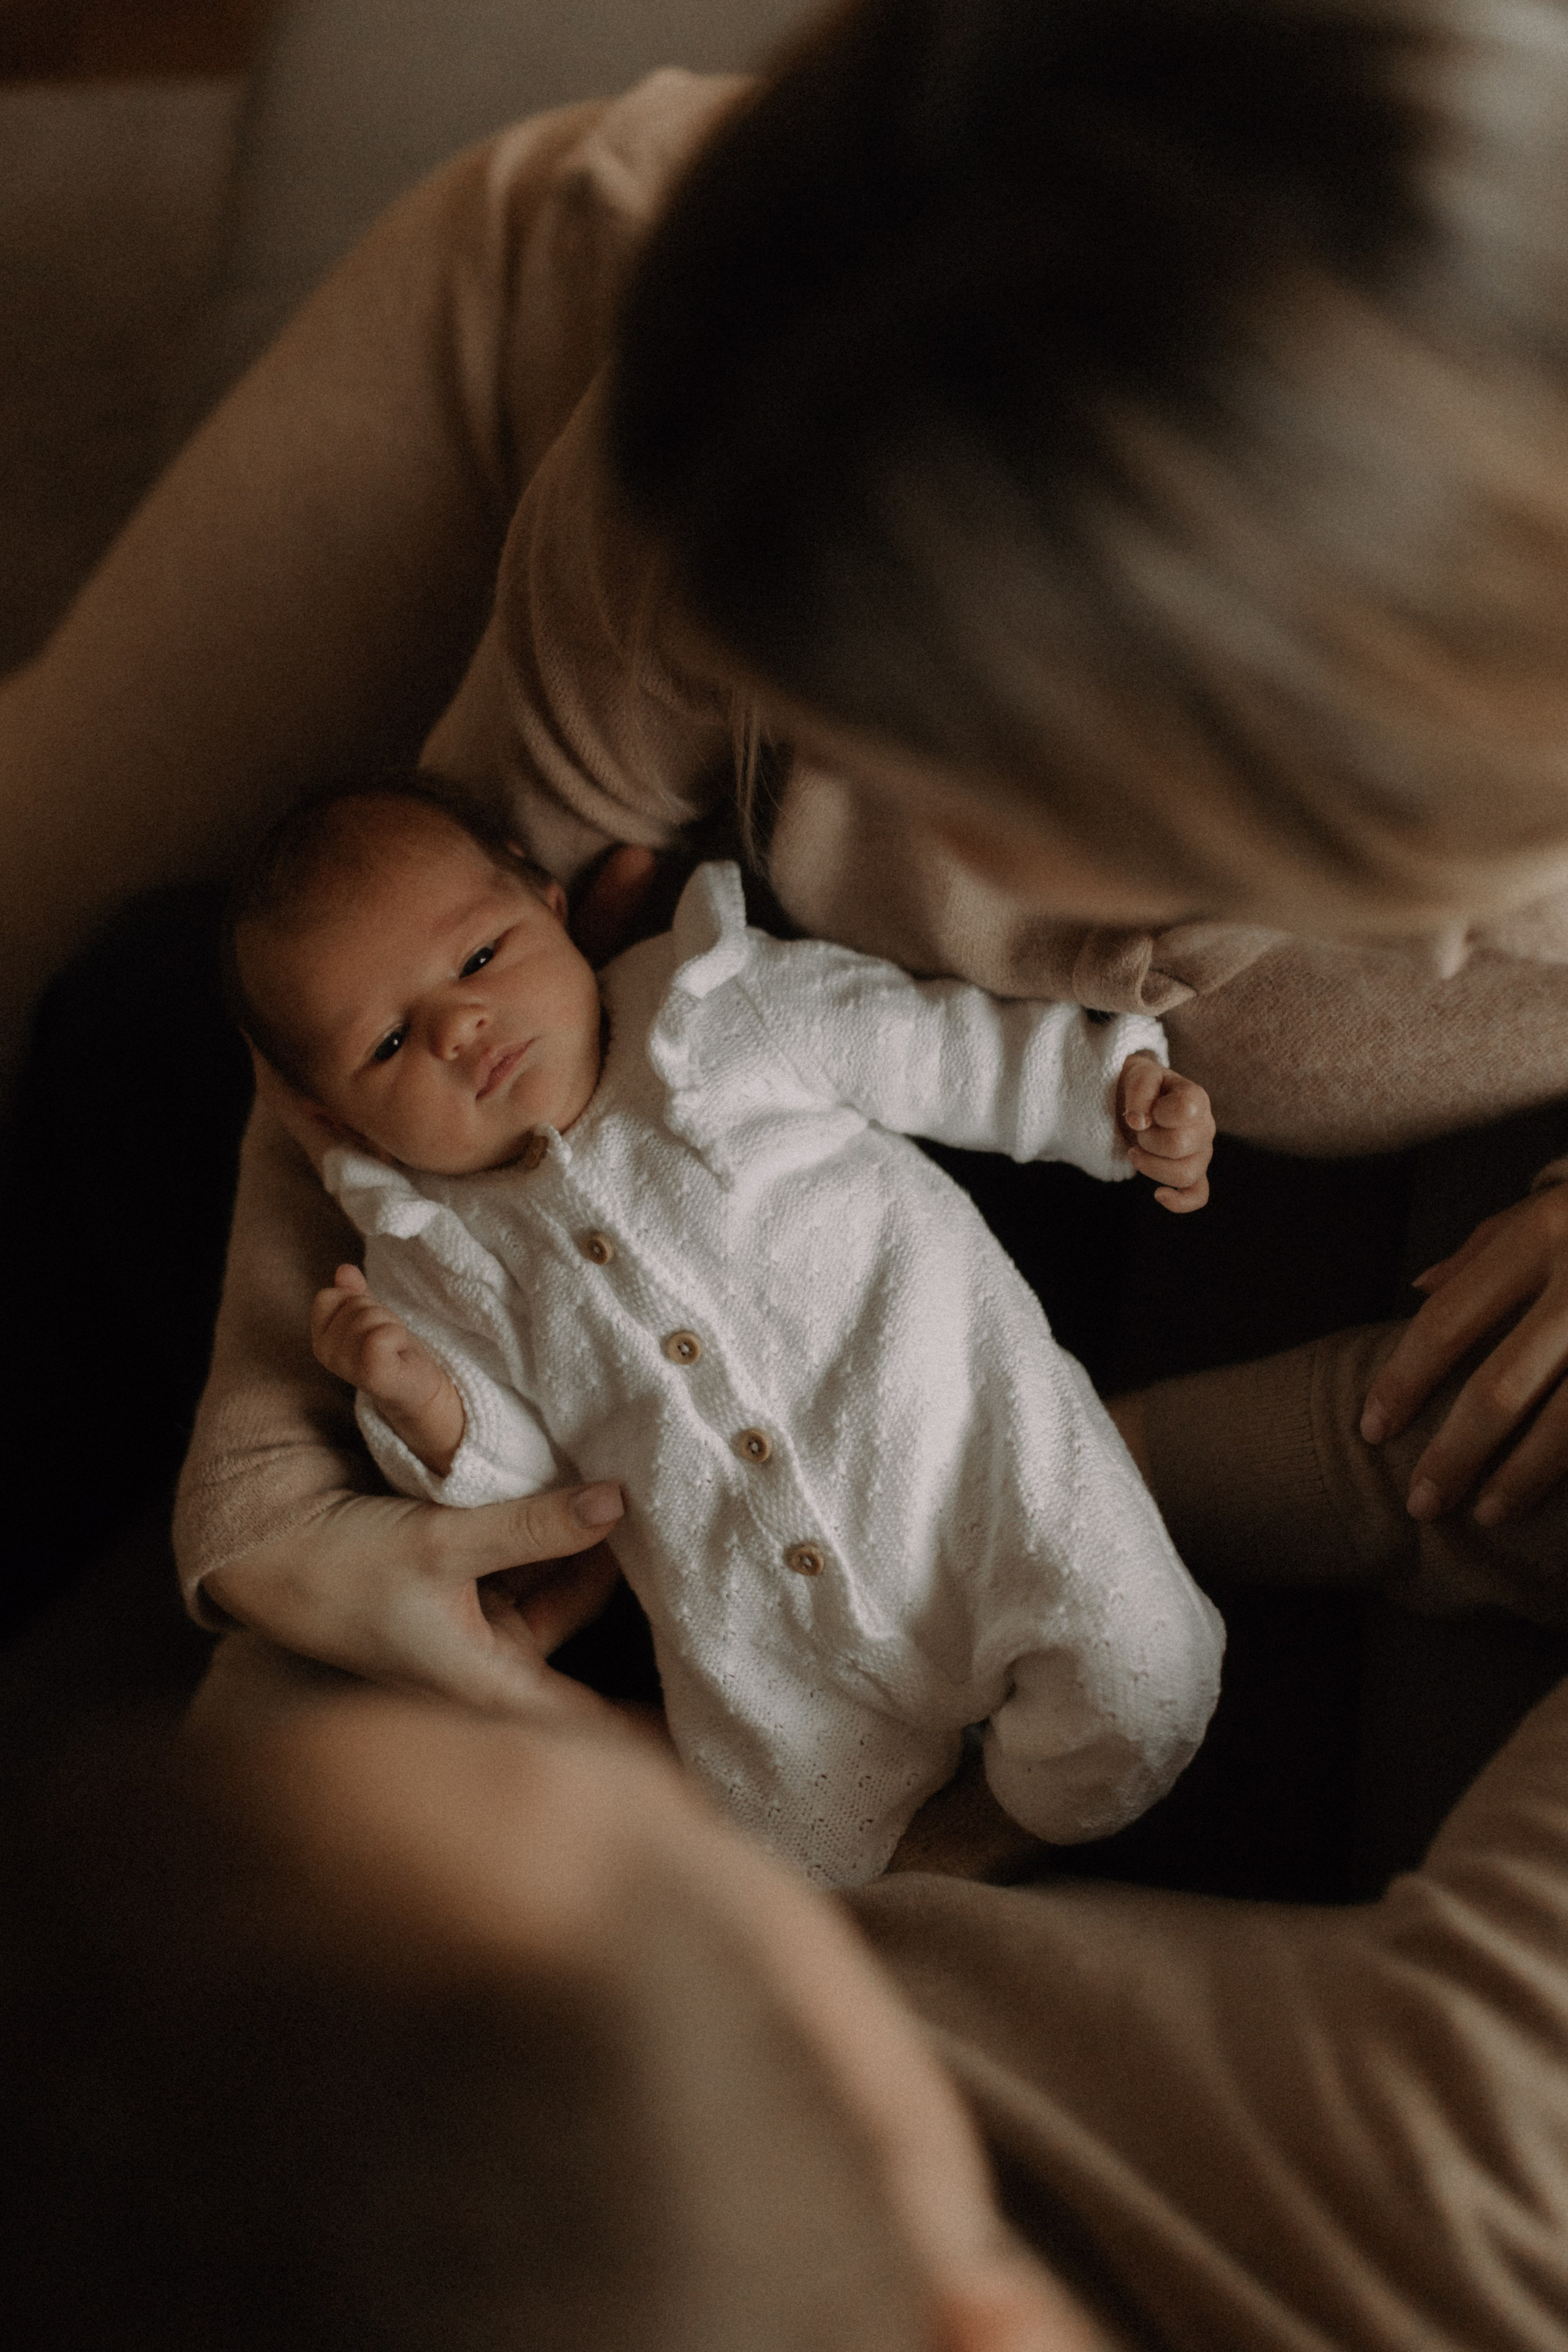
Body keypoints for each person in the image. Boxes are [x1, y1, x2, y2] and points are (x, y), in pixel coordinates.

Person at [4, 0, 1568, 2340]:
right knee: (125, 1020)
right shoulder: (690, 526)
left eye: (985, 794)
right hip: (638, 354)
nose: (923, 873)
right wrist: (293, 1542)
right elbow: (384, 1068)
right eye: (854, 760)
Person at [225, 775, 1219, 1883]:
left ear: (552, 908)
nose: (463, 1028)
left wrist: (1106, 1099)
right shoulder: (425, 1253)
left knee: (1142, 1685)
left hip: (973, 1465)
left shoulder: (716, 1011)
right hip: (755, 1630)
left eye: (478, 959)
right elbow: (522, 1481)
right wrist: (420, 1399)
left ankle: (1009, 1827)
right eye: (390, 1043)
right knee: (784, 1867)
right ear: (329, 1120)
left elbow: (933, 1049)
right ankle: (916, 1889)